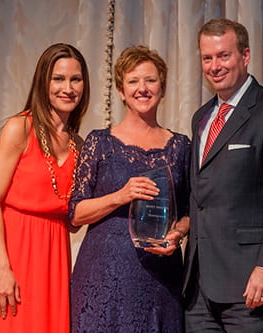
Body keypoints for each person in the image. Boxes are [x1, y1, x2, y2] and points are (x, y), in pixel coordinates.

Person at [183, 18, 263, 332]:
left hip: (253, 286)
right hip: (199, 288)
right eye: (207, 57)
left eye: (224, 55)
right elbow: (203, 198)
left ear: (245, 55)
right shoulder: (202, 117)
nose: (214, 66)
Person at [68, 45, 190, 332]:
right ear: (121, 91)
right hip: (104, 274)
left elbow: (189, 211)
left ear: (163, 87)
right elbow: (75, 213)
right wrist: (121, 195)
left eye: (150, 80)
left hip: (161, 276)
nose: (142, 89)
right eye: (133, 81)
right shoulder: (99, 142)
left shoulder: (182, 146)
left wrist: (179, 233)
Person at [0, 43, 90, 333]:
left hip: (53, 261)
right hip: (13, 254)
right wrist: (1, 267)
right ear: (43, 82)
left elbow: (74, 217)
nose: (68, 87)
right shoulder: (20, 128)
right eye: (58, 79)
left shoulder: (79, 146)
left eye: (75, 79)